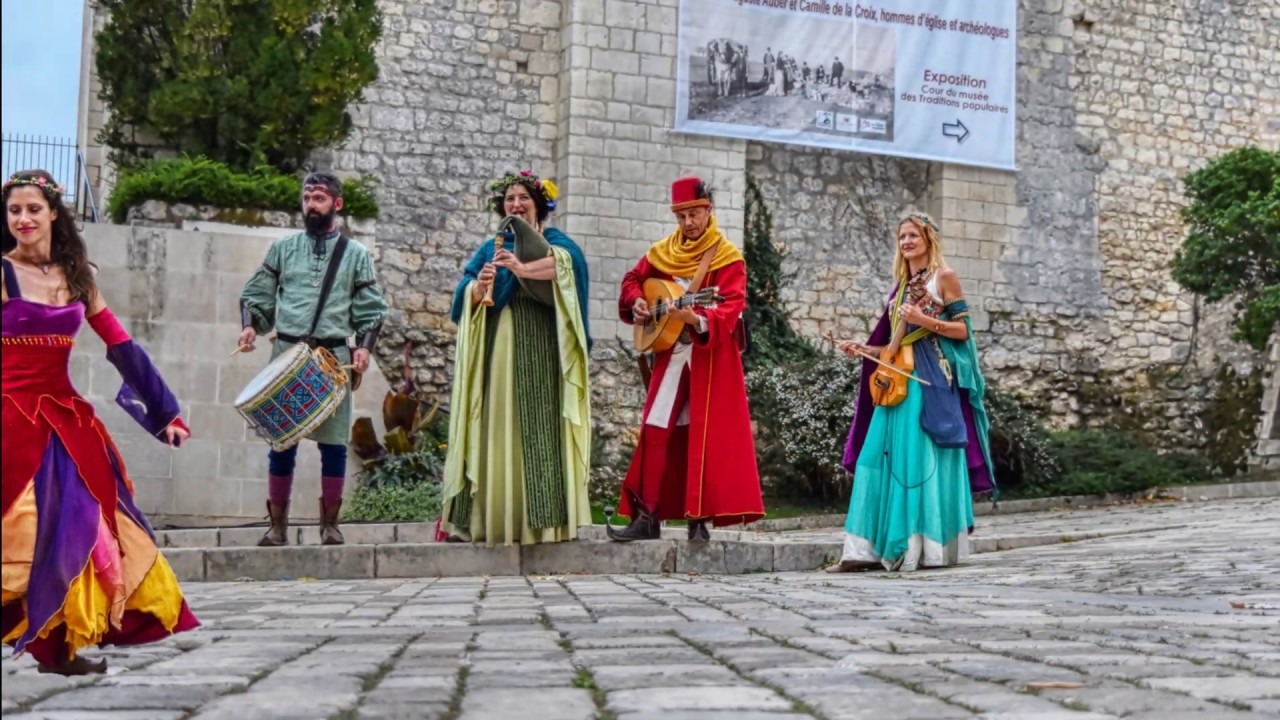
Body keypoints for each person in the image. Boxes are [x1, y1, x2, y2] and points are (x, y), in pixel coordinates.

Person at [1, 169, 199, 675]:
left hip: (66, 424)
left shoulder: (79, 277)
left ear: (53, 214)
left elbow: (119, 344)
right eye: (14, 210)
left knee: (85, 530)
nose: (23, 219)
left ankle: (62, 649)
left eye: (32, 209)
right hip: (10, 417)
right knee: (19, 532)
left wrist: (165, 411)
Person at [829, 213, 996, 572]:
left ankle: (923, 547)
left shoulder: (944, 278)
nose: (906, 242)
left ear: (928, 238)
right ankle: (864, 550)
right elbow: (893, 344)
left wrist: (925, 321)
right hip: (896, 379)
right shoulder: (901, 286)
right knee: (877, 456)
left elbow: (964, 332)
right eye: (902, 236)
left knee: (917, 459)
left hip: (930, 380)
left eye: (913, 235)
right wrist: (863, 348)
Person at [439, 170, 592, 546]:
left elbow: (566, 266)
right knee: (493, 421)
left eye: (523, 197)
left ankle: (540, 523)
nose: (515, 204)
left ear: (538, 204)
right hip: (496, 349)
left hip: (540, 348)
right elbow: (462, 293)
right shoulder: (491, 247)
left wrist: (521, 268)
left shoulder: (555, 242)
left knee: (537, 430)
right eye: (509, 199)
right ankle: (484, 521)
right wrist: (478, 286)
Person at [608, 177, 764, 542]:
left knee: (704, 432)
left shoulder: (727, 257)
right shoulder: (663, 251)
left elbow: (730, 304)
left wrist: (696, 319)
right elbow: (633, 279)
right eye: (681, 216)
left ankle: (700, 519)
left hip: (710, 359)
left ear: (708, 211)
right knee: (656, 429)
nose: (688, 223)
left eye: (694, 214)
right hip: (671, 353)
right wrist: (637, 301)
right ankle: (648, 517)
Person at [238, 172, 389, 546]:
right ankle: (277, 528)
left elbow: (372, 310)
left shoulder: (356, 255)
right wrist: (250, 326)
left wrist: (364, 346)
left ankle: (330, 526)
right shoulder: (283, 249)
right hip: (286, 354)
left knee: (334, 444)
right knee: (281, 441)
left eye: (319, 198)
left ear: (336, 204)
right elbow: (257, 293)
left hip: (332, 359)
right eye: (307, 198)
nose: (311, 205)